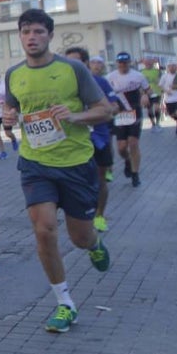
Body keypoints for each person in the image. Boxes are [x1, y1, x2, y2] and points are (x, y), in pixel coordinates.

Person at [3, 9, 112, 333]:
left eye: (38, 31)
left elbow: (105, 110)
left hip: (76, 163)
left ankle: (94, 244)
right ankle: (65, 302)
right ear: (20, 36)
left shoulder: (73, 69)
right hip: (36, 164)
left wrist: (76, 117)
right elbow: (13, 111)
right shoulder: (14, 74)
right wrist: (9, 121)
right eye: (26, 32)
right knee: (44, 229)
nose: (31, 37)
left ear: (50, 35)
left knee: (79, 237)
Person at [65, 50, 120, 233]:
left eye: (76, 62)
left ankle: (99, 216)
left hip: (98, 138)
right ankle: (82, 215)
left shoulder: (99, 82)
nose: (71, 66)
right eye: (67, 62)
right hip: (71, 140)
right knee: (77, 181)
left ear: (86, 63)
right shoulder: (61, 85)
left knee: (100, 179)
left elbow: (114, 106)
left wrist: (92, 113)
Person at [106, 51, 150, 188]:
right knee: (121, 147)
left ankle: (135, 174)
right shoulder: (110, 77)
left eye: (125, 62)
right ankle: (127, 160)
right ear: (117, 63)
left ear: (129, 63)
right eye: (120, 62)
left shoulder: (138, 75)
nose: (123, 65)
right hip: (120, 113)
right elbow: (103, 93)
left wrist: (145, 95)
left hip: (135, 111)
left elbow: (148, 90)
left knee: (133, 143)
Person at [141, 57, 163, 131]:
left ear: (152, 63)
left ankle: (157, 123)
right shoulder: (142, 72)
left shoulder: (157, 71)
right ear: (144, 64)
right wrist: (142, 94)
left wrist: (159, 82)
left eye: (149, 62)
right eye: (146, 63)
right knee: (149, 109)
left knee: (157, 107)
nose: (148, 64)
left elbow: (162, 80)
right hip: (147, 93)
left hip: (157, 92)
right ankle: (153, 124)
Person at [159, 62, 177, 136]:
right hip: (169, 99)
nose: (172, 68)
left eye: (174, 66)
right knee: (171, 114)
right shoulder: (164, 76)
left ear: (176, 67)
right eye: (171, 66)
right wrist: (166, 90)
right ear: (168, 67)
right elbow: (160, 85)